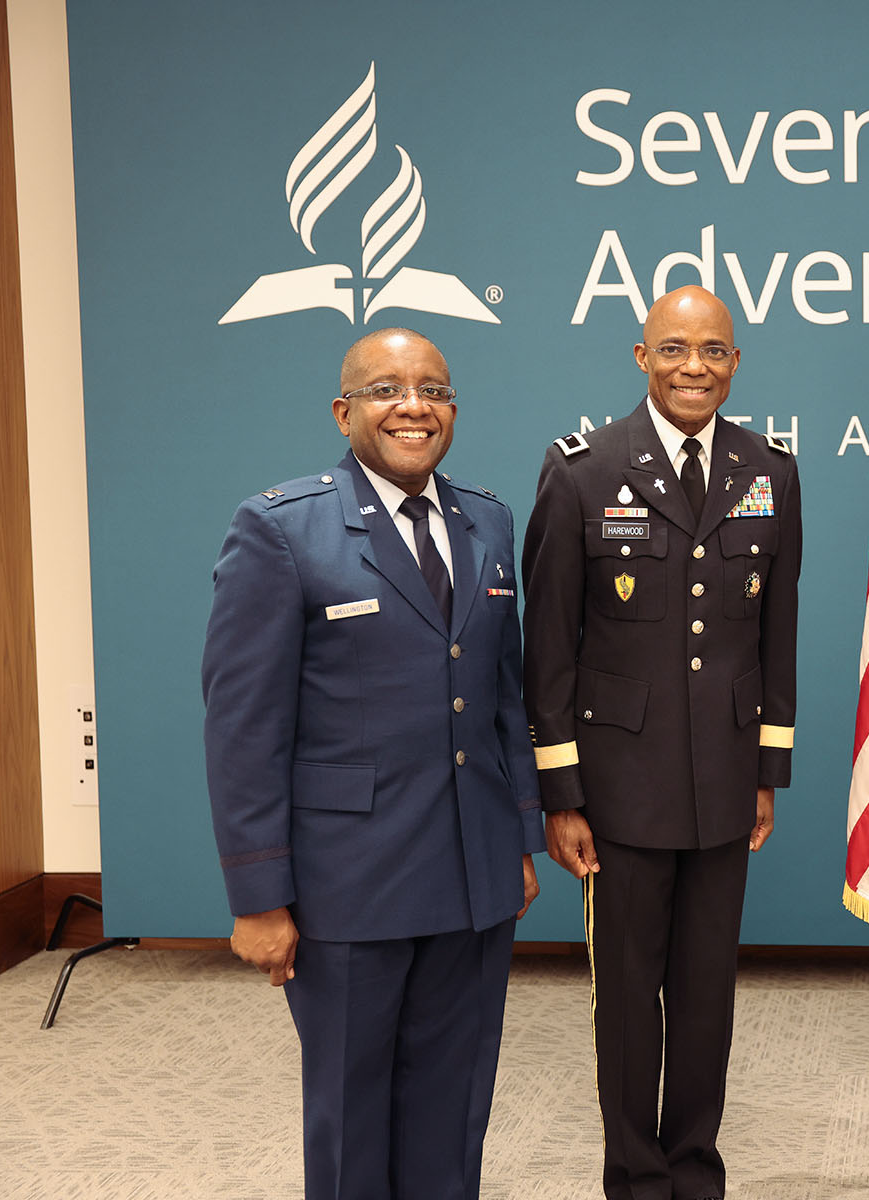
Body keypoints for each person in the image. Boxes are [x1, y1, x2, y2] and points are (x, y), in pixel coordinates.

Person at [202, 327, 545, 1200]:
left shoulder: (489, 520)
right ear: (343, 410)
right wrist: (258, 897)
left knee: (453, 1105)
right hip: (347, 886)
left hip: (472, 876)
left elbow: (505, 694)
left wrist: (519, 838)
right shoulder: (281, 530)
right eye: (387, 389)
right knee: (353, 1114)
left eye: (432, 389)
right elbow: (243, 729)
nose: (413, 406)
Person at [521, 284, 801, 1200]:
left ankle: (695, 1171)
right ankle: (637, 1180)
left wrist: (766, 771)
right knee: (628, 1003)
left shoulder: (771, 470)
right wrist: (561, 795)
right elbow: (549, 650)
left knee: (708, 995)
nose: (694, 367)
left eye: (713, 351)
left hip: (722, 781)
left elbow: (776, 637)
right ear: (640, 358)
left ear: (734, 364)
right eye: (674, 349)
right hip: (618, 789)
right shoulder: (582, 469)